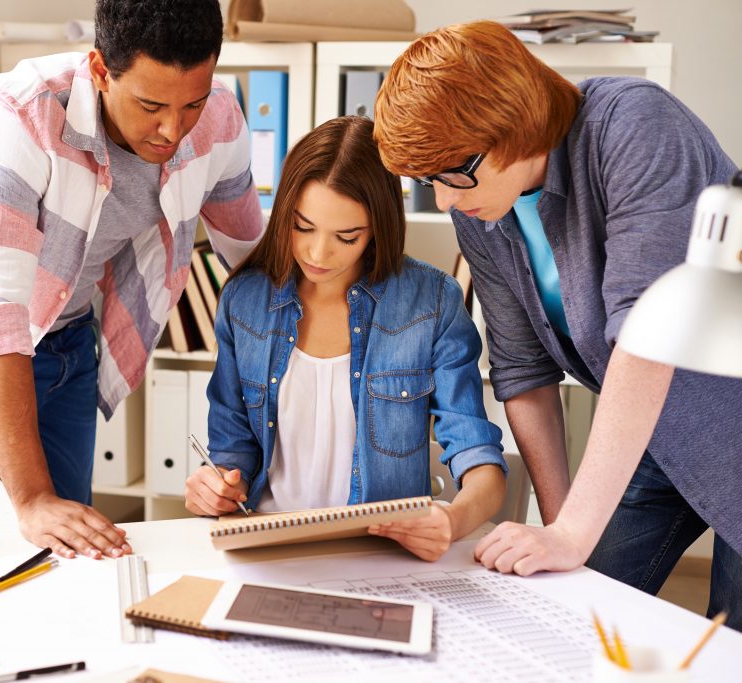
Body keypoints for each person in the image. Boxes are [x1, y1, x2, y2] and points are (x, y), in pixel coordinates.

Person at [373, 20, 742, 626]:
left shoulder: (635, 127)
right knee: (570, 606)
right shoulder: (479, 206)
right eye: (427, 182)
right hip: (655, 435)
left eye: (451, 174)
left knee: (729, 639)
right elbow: (522, 371)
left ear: (512, 126)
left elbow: (646, 340)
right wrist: (558, 528)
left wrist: (573, 531)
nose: (442, 199)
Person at [0, 0, 263, 560]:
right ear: (99, 70)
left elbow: (253, 261)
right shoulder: (19, 113)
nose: (173, 130)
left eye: (192, 102)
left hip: (69, 331)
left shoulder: (218, 117)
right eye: (150, 105)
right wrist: (33, 498)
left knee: (71, 542)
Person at [185, 116, 507, 561]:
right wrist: (214, 486)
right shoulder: (244, 301)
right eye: (302, 226)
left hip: (381, 555)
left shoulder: (431, 302)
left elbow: (480, 460)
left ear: (378, 228)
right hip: (269, 552)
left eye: (346, 236)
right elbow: (232, 453)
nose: (318, 254)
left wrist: (451, 520)